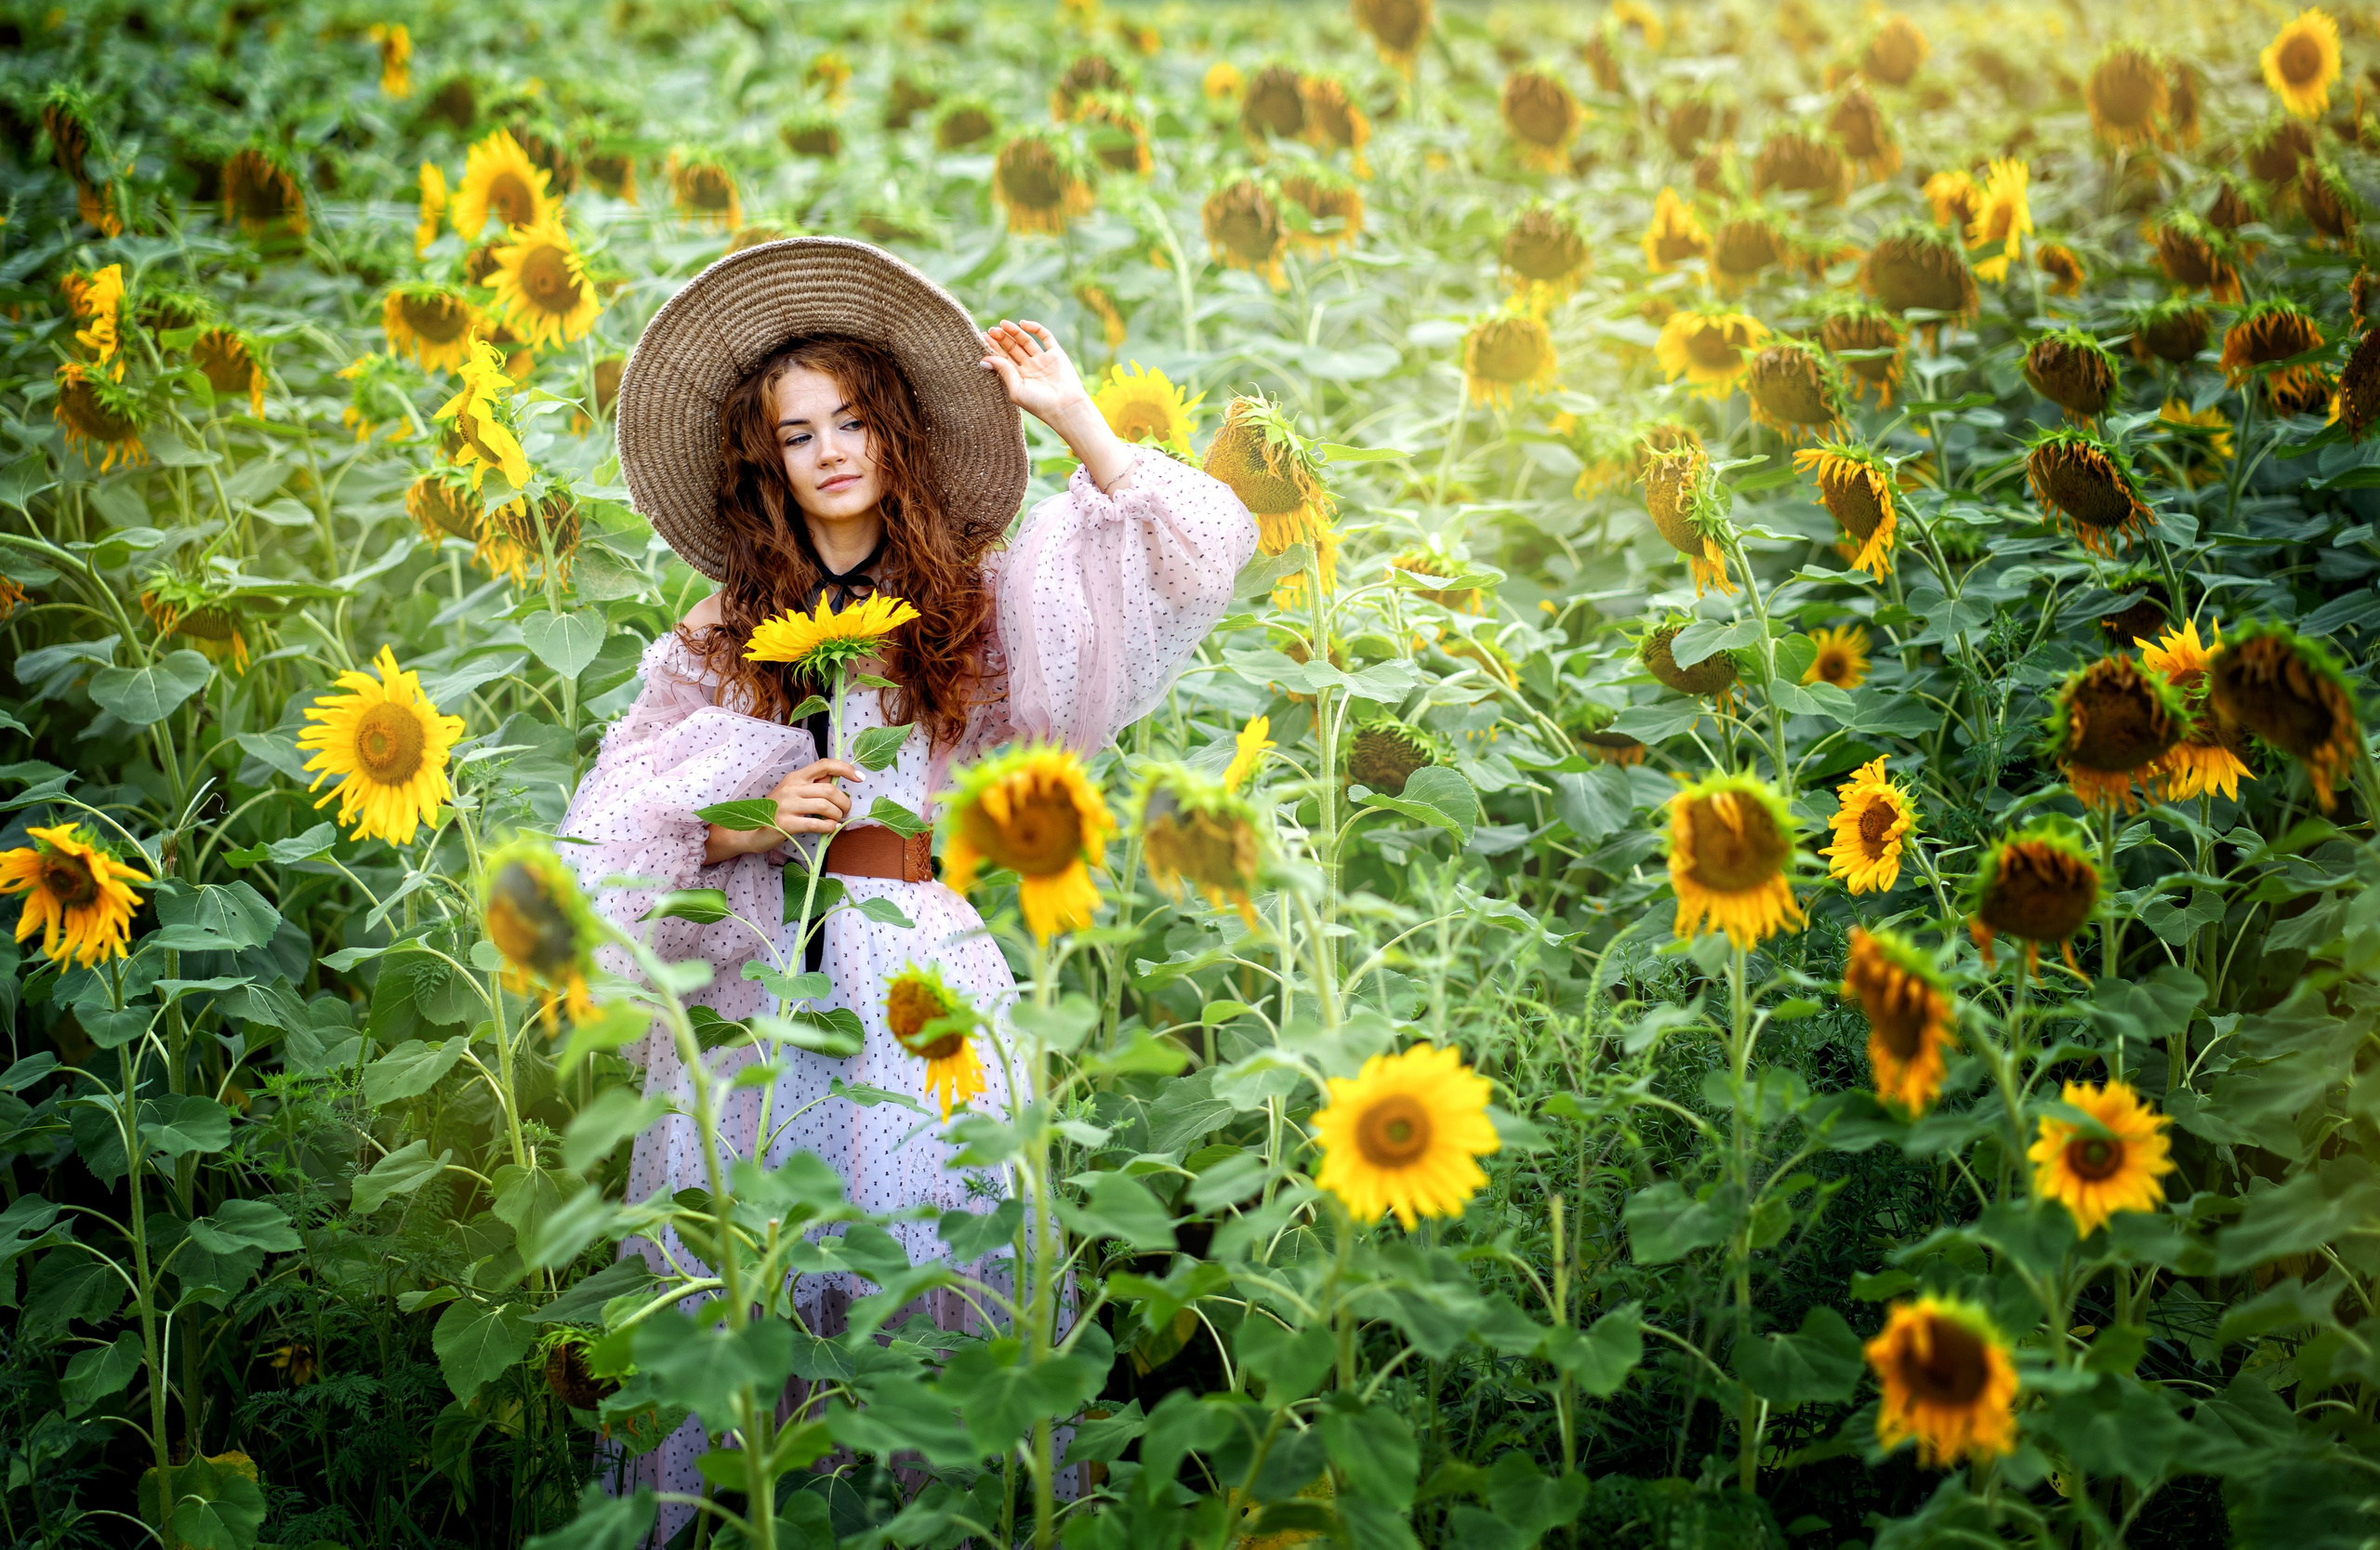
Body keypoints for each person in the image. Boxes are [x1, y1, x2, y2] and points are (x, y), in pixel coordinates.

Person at [558, 235, 1255, 1523]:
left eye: (854, 420)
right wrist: (745, 824)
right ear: (764, 459)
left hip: (919, 963)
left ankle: (940, 1515)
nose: (831, 449)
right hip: (757, 994)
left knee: (935, 1247)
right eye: (798, 431)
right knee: (759, 1268)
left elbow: (1181, 565)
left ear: (893, 436)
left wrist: (1076, 416)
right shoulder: (719, 630)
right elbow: (610, 831)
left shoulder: (972, 597)